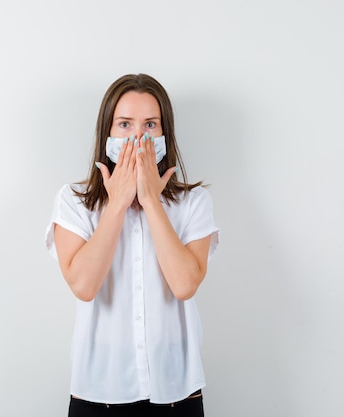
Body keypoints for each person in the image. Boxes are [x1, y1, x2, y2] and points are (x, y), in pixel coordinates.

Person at [45, 73, 220, 417]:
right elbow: (83, 285)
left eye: (150, 124)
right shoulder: (74, 202)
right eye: (125, 124)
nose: (138, 137)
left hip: (176, 393)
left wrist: (152, 202)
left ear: (164, 133)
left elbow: (185, 285)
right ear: (107, 133)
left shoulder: (194, 202)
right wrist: (118, 203)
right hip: (99, 391)